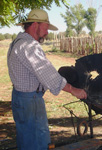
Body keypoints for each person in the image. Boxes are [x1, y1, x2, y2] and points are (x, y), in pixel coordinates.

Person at [7, 9, 87, 150]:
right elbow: (49, 76)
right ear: (35, 25)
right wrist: (74, 90)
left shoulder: (16, 42)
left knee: (26, 139)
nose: (47, 33)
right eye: (46, 27)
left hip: (19, 97)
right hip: (30, 102)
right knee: (38, 142)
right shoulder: (29, 46)